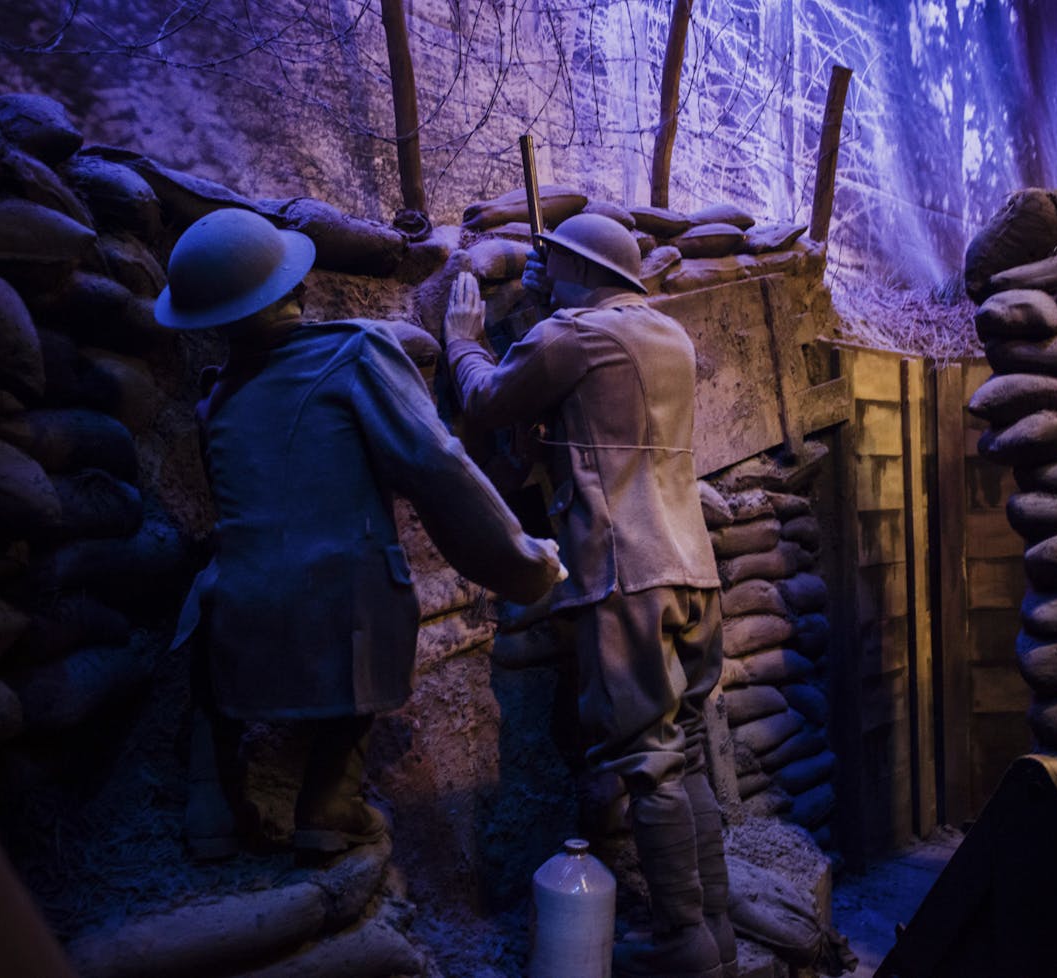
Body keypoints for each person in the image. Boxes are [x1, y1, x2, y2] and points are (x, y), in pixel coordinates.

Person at [156, 207, 562, 864]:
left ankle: (211, 806)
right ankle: (327, 801)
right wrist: (520, 558)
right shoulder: (357, 351)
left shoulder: (216, 398)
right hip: (339, 604)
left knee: (212, 599)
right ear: (298, 289)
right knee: (373, 588)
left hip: (240, 612)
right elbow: (435, 465)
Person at [444, 212, 735, 978]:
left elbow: (486, 400)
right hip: (692, 568)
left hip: (624, 573)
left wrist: (464, 339)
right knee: (691, 752)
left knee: (648, 760)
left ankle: (682, 942)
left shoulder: (571, 336)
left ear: (570, 269)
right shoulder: (667, 334)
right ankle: (716, 932)